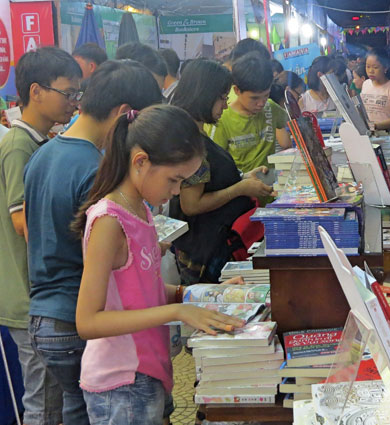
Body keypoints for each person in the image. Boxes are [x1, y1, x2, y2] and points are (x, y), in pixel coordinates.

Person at [69, 104, 245, 425]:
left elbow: (140, 290)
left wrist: (201, 295)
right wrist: (177, 311)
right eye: (174, 180)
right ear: (140, 162)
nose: (177, 191)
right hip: (120, 382)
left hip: (147, 371)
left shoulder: (141, 209)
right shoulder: (109, 220)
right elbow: (88, 321)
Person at [24, 60, 163, 425]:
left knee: (74, 409)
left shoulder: (44, 153)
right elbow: (104, 256)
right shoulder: (96, 170)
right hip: (79, 316)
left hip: (44, 315)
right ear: (123, 115)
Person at [0, 46, 81, 425]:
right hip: (27, 297)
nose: (73, 102)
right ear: (36, 91)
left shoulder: (41, 140)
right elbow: (23, 224)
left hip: (40, 293)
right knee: (44, 403)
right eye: (67, 93)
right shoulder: (18, 145)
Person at [169, 59, 273, 284]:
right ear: (205, 94)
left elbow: (212, 182)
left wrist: (244, 178)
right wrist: (239, 188)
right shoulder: (190, 141)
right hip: (203, 250)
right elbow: (191, 204)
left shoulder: (194, 132)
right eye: (222, 98)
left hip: (213, 243)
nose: (225, 105)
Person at [209, 52, 291, 174]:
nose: (261, 103)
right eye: (254, 98)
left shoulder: (270, 107)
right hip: (240, 188)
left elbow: (295, 123)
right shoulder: (222, 120)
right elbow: (216, 164)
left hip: (272, 186)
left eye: (266, 95)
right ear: (236, 90)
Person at [361, 48, 390, 131]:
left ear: (385, 68)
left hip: (386, 134)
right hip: (367, 133)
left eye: (375, 67)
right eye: (368, 67)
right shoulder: (366, 84)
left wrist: (375, 126)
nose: (370, 71)